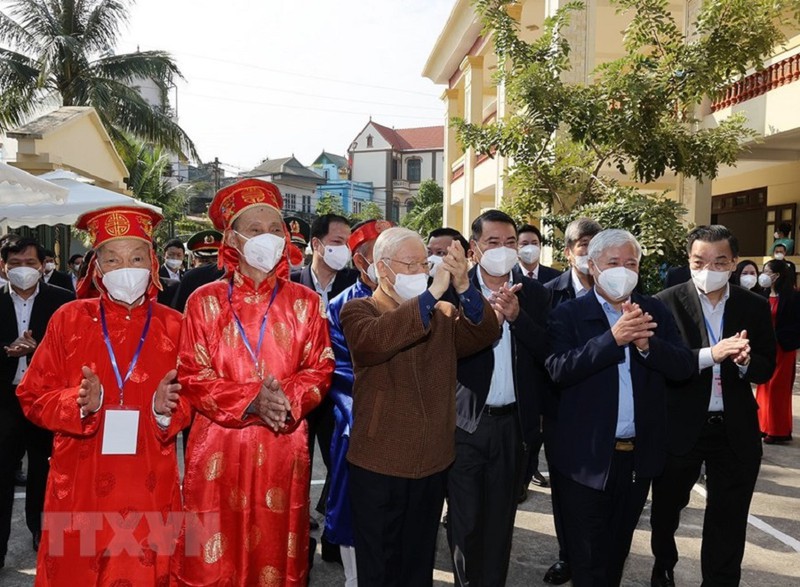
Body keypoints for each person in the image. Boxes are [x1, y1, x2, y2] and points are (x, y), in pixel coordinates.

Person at [15, 206, 190, 585]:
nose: (126, 268)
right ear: (97, 268)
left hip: (150, 482)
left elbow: (192, 399)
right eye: (112, 259)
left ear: (153, 263)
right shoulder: (68, 318)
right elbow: (32, 395)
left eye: (137, 258)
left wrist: (166, 411)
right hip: (79, 483)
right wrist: (77, 403)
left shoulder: (176, 326)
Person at [173, 178, 334, 586]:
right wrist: (253, 400)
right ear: (232, 239)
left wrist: (286, 401)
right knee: (212, 557)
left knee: (275, 558)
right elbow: (193, 374)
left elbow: (321, 367)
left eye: (276, 230)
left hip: (284, 443)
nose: (269, 238)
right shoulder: (203, 300)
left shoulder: (305, 302)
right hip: (218, 447)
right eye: (256, 230)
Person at [341, 226, 498, 586]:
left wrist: (462, 286)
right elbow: (375, 343)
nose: (420, 273)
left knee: (417, 565)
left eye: (422, 265)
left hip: (432, 462)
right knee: (379, 567)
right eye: (409, 266)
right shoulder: (359, 311)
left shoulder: (443, 312)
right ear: (383, 269)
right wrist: (432, 294)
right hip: (379, 463)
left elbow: (485, 332)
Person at [546, 229, 693, 586]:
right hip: (585, 459)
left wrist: (647, 346)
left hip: (636, 459)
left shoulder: (654, 309)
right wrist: (611, 339)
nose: (623, 270)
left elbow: (683, 367)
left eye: (631, 263)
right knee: (586, 558)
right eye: (614, 263)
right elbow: (558, 369)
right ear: (593, 267)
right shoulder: (569, 313)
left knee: (615, 553)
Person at [651, 225, 776, 587]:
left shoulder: (752, 305)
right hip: (681, 425)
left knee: (729, 517)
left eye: (720, 260)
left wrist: (744, 363)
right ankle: (664, 565)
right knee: (665, 510)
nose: (709, 268)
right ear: (689, 262)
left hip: (734, 429)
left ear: (734, 262)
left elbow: (767, 364)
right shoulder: (665, 302)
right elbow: (664, 361)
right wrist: (712, 355)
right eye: (699, 260)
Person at [447, 210, 551, 587]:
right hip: (465, 424)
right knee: (465, 520)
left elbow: (549, 353)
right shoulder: (452, 290)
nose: (504, 250)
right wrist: (479, 316)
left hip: (513, 425)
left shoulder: (537, 294)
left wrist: (518, 317)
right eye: (493, 243)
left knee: (499, 523)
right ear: (474, 248)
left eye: (511, 243)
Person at [325, 218, 394, 586]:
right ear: (361, 262)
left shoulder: (420, 298)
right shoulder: (340, 306)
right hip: (359, 422)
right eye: (379, 255)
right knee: (355, 509)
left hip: (408, 426)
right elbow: (337, 368)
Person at [0, 237, 74, 567]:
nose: (22, 270)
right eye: (14, 264)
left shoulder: (64, 302)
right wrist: (6, 349)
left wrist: (38, 348)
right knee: (2, 473)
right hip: (5, 402)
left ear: (42, 264)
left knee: (44, 472)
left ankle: (41, 532)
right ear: (4, 266)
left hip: (48, 401)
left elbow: (74, 350)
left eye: (29, 263)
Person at [541, 216, 602, 585]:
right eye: (583, 247)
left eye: (597, 248)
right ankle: (568, 555)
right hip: (561, 405)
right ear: (568, 252)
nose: (590, 254)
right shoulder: (549, 293)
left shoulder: (620, 291)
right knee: (565, 489)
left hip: (605, 406)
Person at [291, 213, 358, 539]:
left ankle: (334, 529)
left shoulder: (354, 285)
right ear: (316, 244)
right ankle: (297, 525)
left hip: (339, 391)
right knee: (296, 464)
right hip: (300, 391)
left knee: (339, 463)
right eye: (337, 242)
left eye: (347, 243)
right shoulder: (291, 284)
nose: (343, 249)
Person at [755, 259, 800, 444]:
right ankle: (762, 426)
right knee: (763, 386)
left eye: (767, 271)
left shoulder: (793, 297)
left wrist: (779, 336)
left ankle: (779, 430)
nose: (763, 275)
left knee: (777, 388)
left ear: (777, 275)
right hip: (766, 347)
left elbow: (796, 324)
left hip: (783, 348)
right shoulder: (763, 294)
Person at [170, 229, 225, 313]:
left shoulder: (227, 277)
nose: (209, 266)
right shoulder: (189, 279)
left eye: (215, 260)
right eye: (205, 261)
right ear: (193, 259)